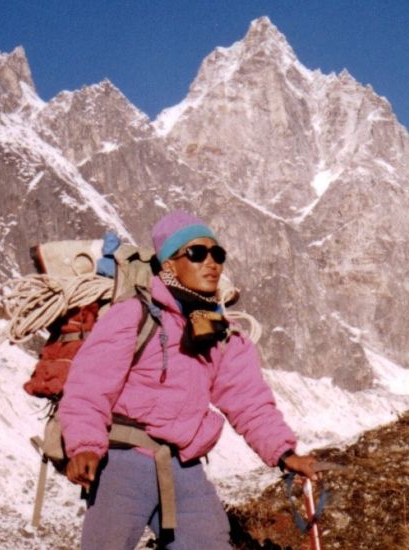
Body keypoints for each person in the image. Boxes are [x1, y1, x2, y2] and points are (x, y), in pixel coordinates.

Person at [58, 210, 317, 549]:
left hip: (184, 466)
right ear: (169, 265)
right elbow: (89, 386)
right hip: (122, 462)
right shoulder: (134, 314)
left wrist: (284, 454)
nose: (212, 263)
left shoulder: (224, 336)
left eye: (217, 254)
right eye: (197, 253)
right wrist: (85, 446)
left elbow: (249, 403)